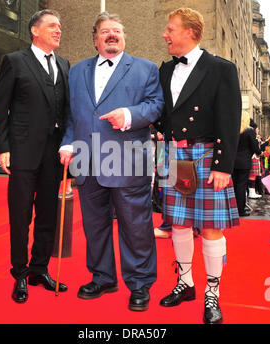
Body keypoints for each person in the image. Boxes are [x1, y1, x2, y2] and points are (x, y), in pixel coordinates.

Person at [59, 12, 164, 311]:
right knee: (95, 225)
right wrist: (68, 142)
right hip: (87, 160)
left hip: (128, 160)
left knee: (136, 226)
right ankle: (103, 276)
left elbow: (155, 106)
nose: (112, 35)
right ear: (95, 38)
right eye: (105, 31)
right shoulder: (77, 71)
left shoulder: (146, 69)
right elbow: (72, 114)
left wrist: (129, 116)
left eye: (117, 30)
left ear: (124, 36)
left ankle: (140, 283)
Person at [154, 8, 241, 324]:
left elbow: (229, 120)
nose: (166, 35)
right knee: (177, 224)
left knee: (210, 228)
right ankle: (186, 283)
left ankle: (212, 293)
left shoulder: (220, 69)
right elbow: (161, 111)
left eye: (170, 29)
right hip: (174, 157)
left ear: (189, 31)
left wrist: (223, 166)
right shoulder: (165, 71)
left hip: (206, 157)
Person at [0, 9, 70, 303]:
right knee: (21, 214)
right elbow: (2, 108)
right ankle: (21, 273)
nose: (58, 30)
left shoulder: (63, 64)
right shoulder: (15, 62)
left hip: (53, 154)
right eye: (52, 25)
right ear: (35, 31)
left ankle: (40, 268)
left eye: (60, 26)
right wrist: (3, 147)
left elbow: (66, 111)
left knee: (49, 215)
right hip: (23, 151)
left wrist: (67, 145)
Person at [232, 111, 262, 216]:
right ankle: (240, 210)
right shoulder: (250, 131)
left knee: (234, 185)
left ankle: (233, 209)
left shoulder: (233, 129)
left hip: (232, 161)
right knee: (241, 186)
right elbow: (255, 147)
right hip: (244, 162)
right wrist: (259, 152)